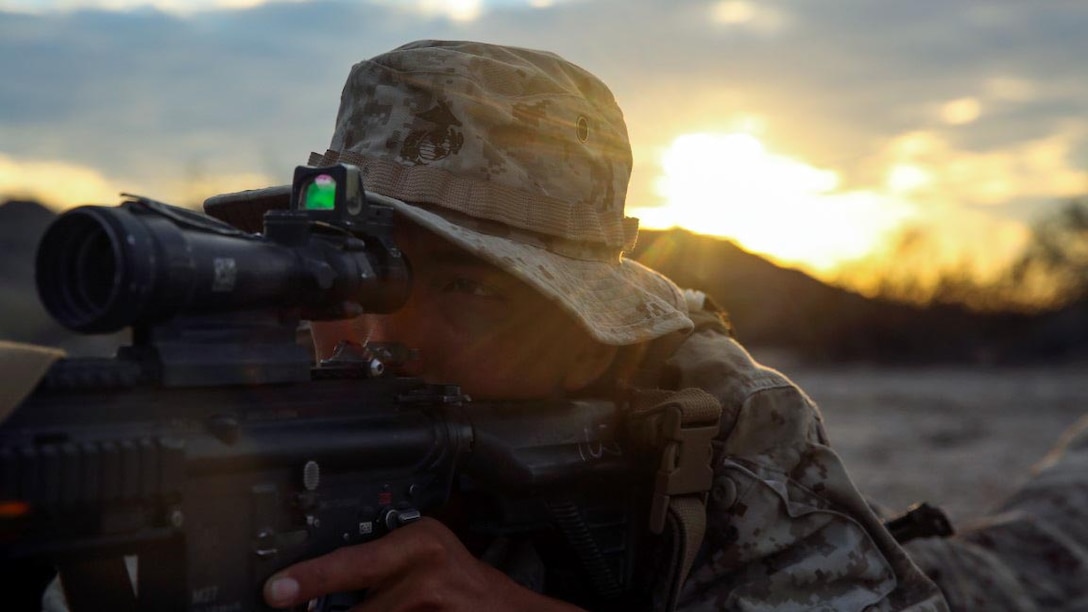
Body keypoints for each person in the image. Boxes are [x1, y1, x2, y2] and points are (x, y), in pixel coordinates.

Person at [202, 40, 1088, 611]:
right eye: (350, 274)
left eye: (472, 288)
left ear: (576, 316)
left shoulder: (707, 403)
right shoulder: (259, 386)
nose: (379, 336)